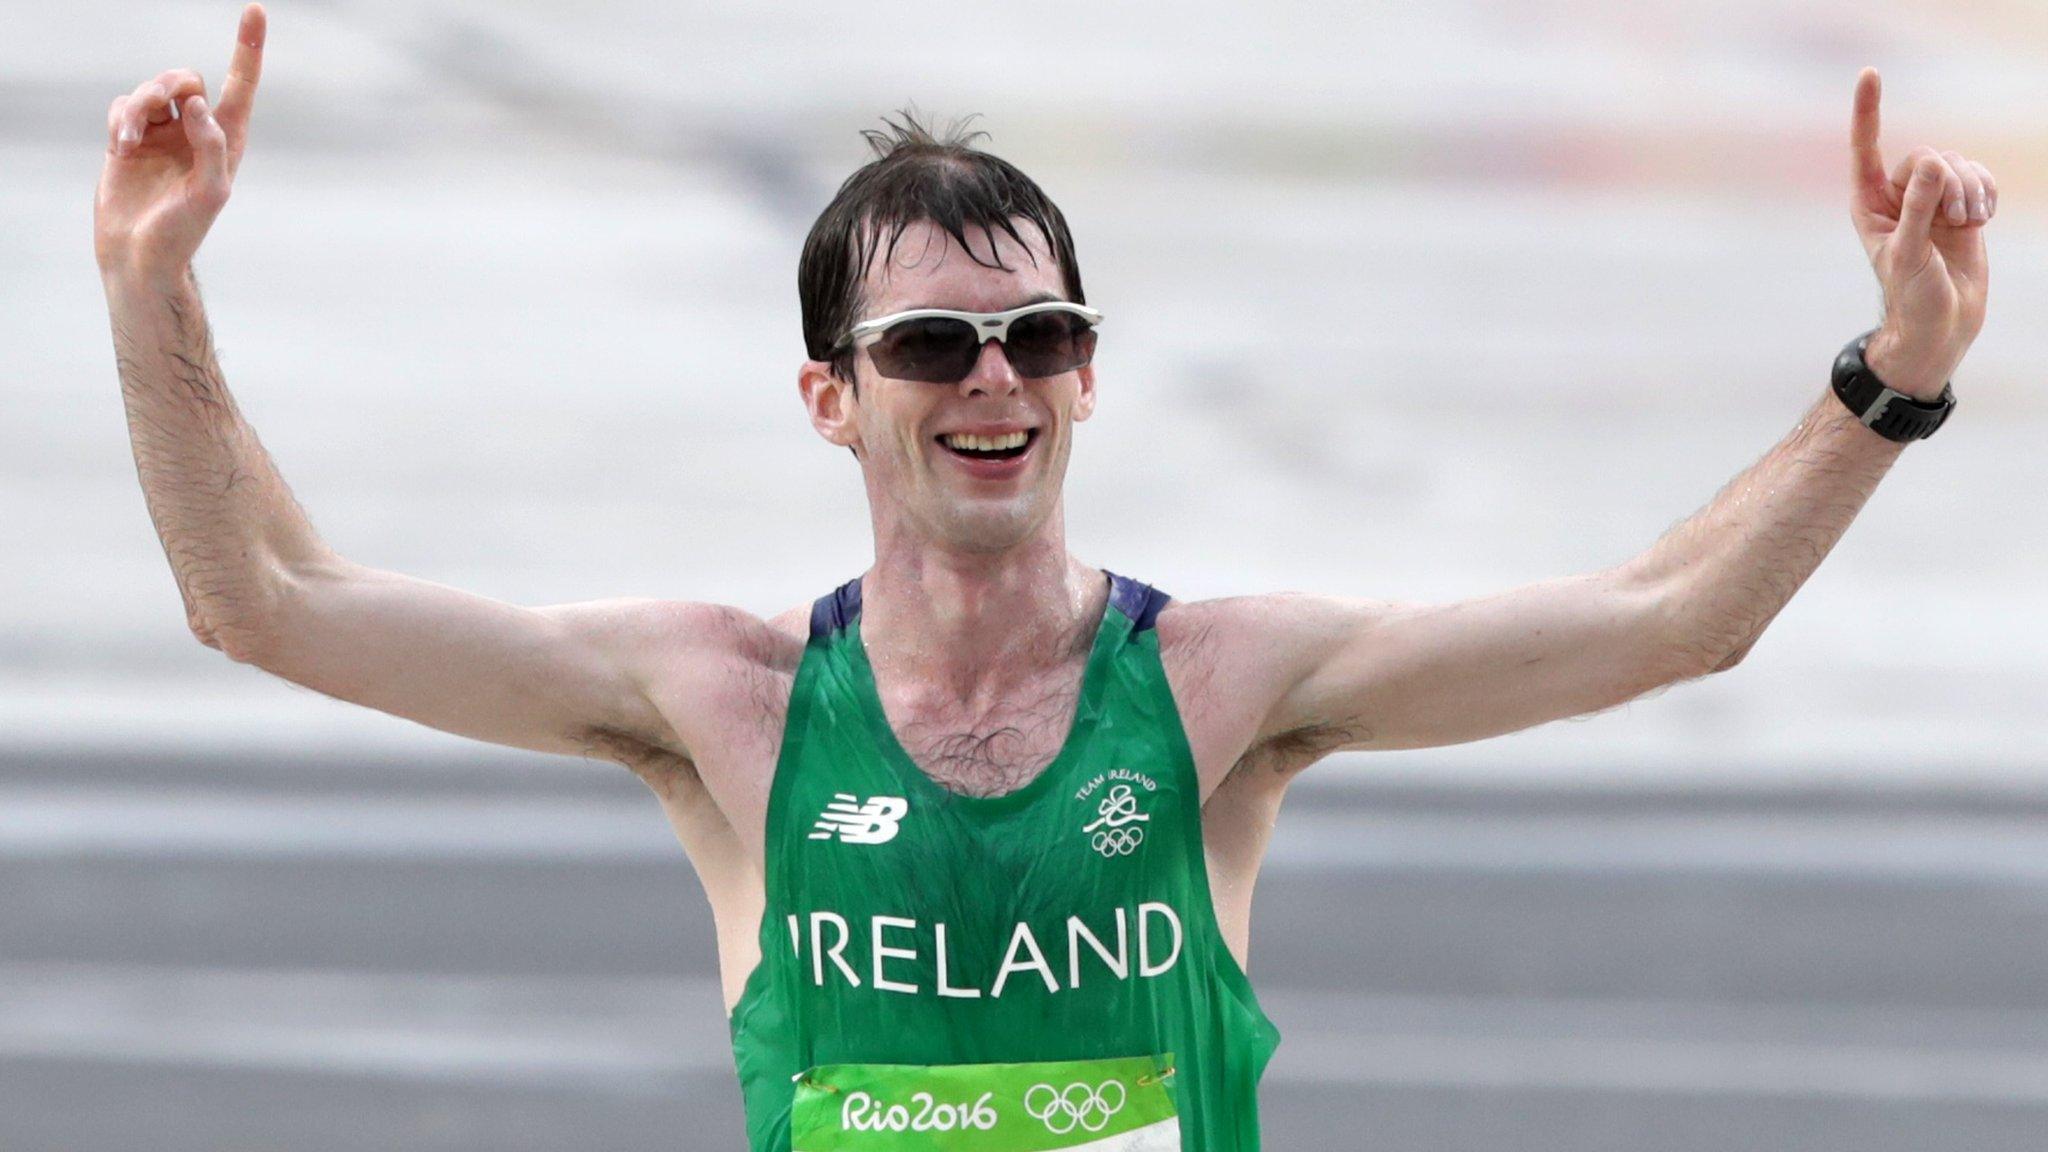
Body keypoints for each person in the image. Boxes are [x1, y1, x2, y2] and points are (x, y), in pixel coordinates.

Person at [93, 4, 1996, 1149]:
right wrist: (152, 284)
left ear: (1088, 373)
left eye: (1038, 336)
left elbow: (1681, 617)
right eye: (932, 345)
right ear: (835, 400)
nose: (991, 381)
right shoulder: (726, 704)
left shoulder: (1224, 691)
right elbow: (262, 598)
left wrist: (1892, 377)